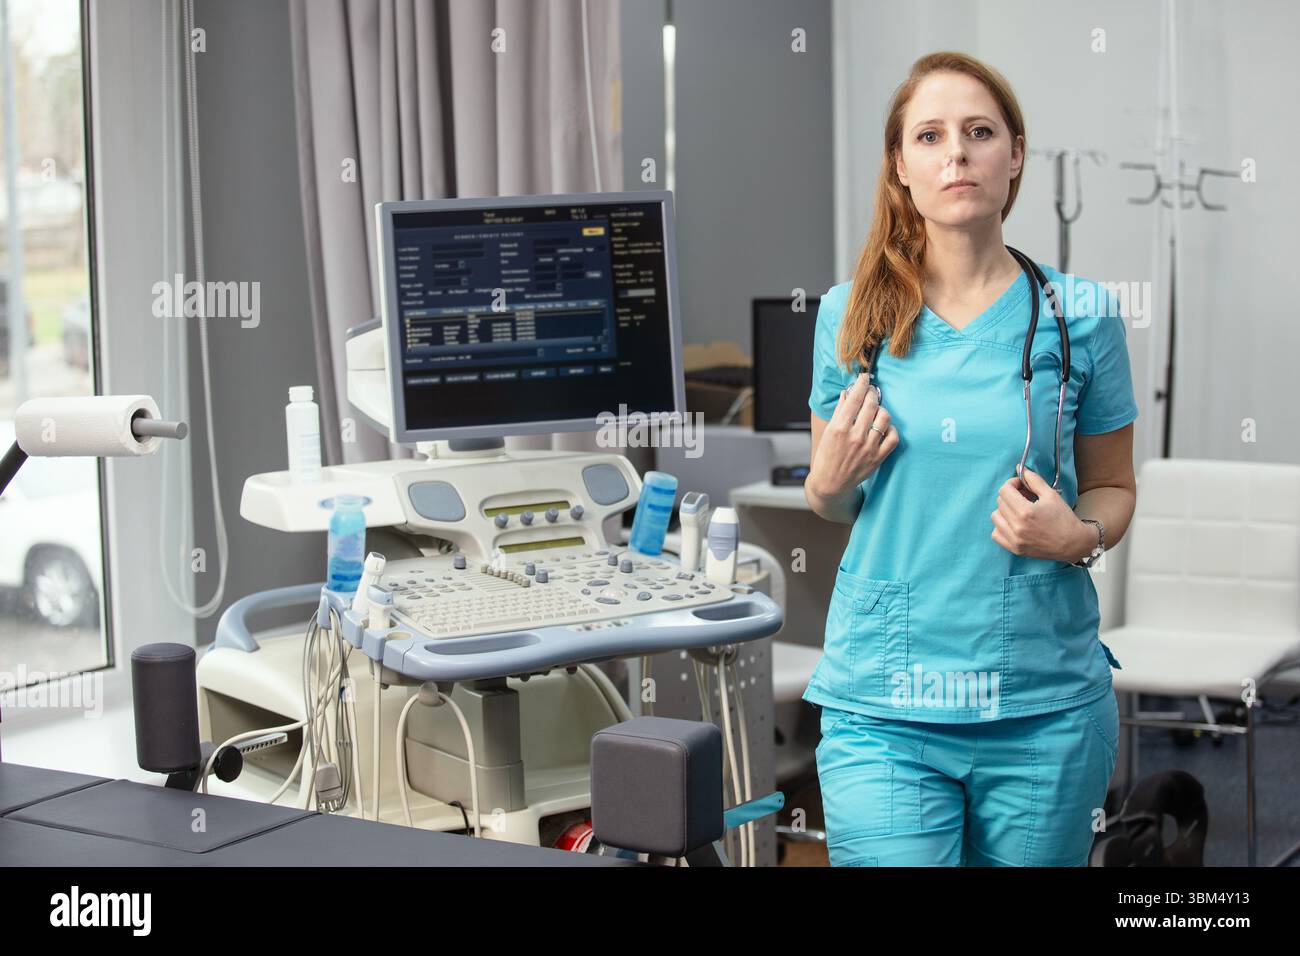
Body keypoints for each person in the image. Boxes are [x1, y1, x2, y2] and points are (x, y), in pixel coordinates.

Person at [804, 51, 1139, 866]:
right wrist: (827, 482)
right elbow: (832, 498)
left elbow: (1113, 486)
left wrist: (1079, 537)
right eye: (930, 135)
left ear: (1014, 155)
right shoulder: (851, 317)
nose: (957, 152)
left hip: (1043, 705)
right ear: (901, 166)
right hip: (886, 703)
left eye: (979, 132)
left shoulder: (1082, 315)